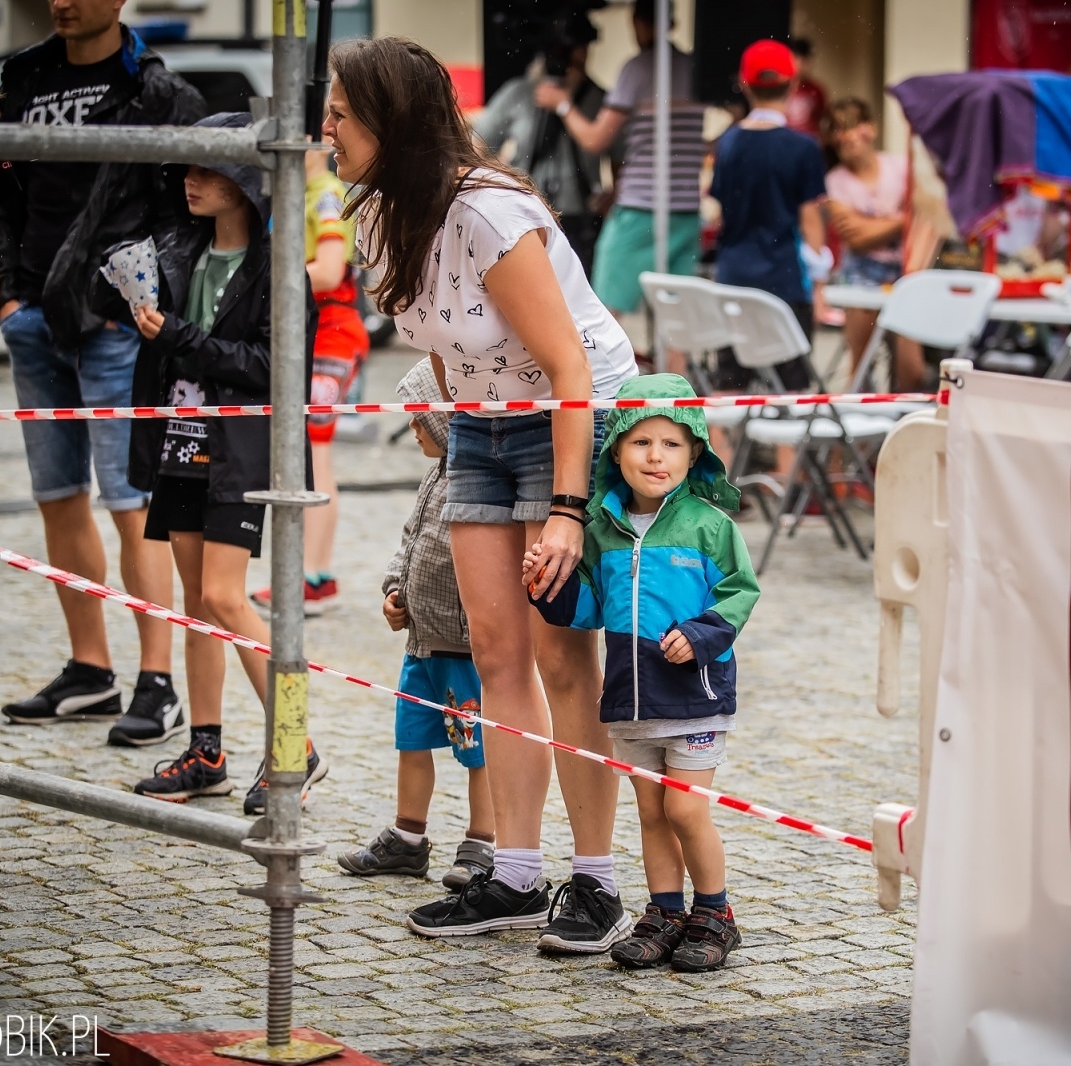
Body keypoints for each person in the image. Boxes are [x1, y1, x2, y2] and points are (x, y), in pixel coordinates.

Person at [326, 36, 638, 954]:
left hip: (562, 414)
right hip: (479, 424)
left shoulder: (490, 211)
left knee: (562, 661)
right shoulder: (382, 212)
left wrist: (570, 509)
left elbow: (569, 363)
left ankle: (596, 883)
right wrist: (451, 415)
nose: (327, 128)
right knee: (494, 649)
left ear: (394, 119)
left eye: (342, 113)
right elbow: (434, 333)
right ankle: (511, 873)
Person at [0, 0, 204, 744]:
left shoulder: (156, 91)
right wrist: (11, 295)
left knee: (131, 502)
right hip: (33, 318)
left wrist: (139, 301)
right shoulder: (23, 77)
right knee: (57, 495)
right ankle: (91, 670)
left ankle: (157, 680)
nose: (62, 0)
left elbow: (187, 212)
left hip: (116, 324)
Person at [114, 114, 325, 809]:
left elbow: (273, 367)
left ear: (245, 185)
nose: (190, 182)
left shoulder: (277, 268)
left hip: (239, 452)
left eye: (207, 170)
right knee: (198, 606)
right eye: (187, 169)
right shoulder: (178, 252)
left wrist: (179, 337)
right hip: (178, 444)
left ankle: (297, 742)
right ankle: (206, 751)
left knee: (227, 598)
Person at [525, 374, 759, 972]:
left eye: (673, 444)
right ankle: (665, 913)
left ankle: (714, 913)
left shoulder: (710, 526)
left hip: (695, 698)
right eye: (641, 443)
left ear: (695, 453)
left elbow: (740, 591)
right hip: (630, 701)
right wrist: (546, 588)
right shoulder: (602, 532)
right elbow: (588, 608)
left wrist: (704, 637)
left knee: (685, 810)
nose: (656, 457)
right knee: (651, 812)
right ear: (616, 451)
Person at [338, 359, 495, 889]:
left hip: (462, 650)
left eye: (419, 419)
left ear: (446, 424)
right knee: (412, 741)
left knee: (478, 749)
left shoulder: (475, 483)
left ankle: (482, 843)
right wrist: (393, 590)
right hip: (421, 646)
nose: (411, 427)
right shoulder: (432, 478)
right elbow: (410, 541)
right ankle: (408, 838)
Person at [248, 146, 369, 617]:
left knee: (313, 451)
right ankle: (313, 575)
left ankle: (313, 577)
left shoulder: (325, 193)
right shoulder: (299, 191)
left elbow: (330, 270)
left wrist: (262, 281)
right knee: (309, 449)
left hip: (332, 332)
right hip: (314, 331)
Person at [535, 0, 706, 316]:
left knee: (605, 310)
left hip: (640, 208)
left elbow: (595, 140)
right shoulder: (694, 67)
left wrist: (562, 104)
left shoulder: (637, 68)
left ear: (640, 23)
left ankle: (605, 367)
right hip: (685, 209)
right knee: (678, 316)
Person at [708, 40, 828, 389]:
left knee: (727, 386)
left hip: (733, 277)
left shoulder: (727, 143)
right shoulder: (803, 147)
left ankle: (723, 447)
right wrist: (820, 285)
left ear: (744, 85)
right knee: (788, 389)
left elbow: (721, 213)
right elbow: (810, 220)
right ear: (792, 85)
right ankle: (785, 448)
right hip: (785, 280)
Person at [473, 12, 608, 276]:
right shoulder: (519, 93)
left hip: (580, 218)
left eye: (579, 48)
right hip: (526, 213)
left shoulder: (599, 99)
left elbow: (616, 153)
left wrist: (564, 105)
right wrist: (504, 184)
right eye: (566, 49)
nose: (576, 56)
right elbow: (476, 147)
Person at [823, 97, 923, 391]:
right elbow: (856, 238)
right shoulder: (834, 180)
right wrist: (902, 220)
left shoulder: (901, 167)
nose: (849, 135)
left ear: (872, 128)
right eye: (839, 129)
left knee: (911, 371)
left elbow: (924, 219)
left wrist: (870, 225)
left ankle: (902, 429)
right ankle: (863, 435)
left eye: (855, 126)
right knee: (862, 368)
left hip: (904, 273)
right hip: (860, 276)